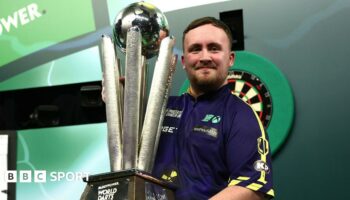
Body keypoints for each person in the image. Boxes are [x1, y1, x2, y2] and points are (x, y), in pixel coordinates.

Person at [151, 17, 274, 199]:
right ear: (184, 61)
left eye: (214, 48)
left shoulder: (240, 115)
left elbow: (252, 188)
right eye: (196, 49)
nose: (205, 57)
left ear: (230, 58)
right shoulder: (159, 110)